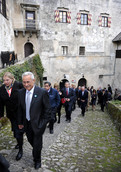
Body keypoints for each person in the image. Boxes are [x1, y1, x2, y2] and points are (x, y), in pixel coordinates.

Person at [17, 72, 51, 169]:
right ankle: (37, 150)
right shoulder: (21, 93)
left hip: (38, 124)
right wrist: (20, 122)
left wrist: (43, 123)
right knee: (31, 140)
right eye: (24, 82)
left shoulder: (41, 92)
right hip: (26, 123)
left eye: (28, 82)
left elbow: (48, 110)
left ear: (33, 80)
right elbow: (20, 109)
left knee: (37, 144)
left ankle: (37, 160)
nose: (26, 84)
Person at [0, 72, 24, 161]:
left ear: (12, 79)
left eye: (7, 80)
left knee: (19, 131)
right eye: (4, 80)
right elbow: (1, 103)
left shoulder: (19, 85)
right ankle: (19, 142)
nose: (5, 82)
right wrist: (1, 115)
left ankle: (21, 150)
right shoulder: (2, 89)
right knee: (15, 130)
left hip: (21, 113)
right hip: (11, 114)